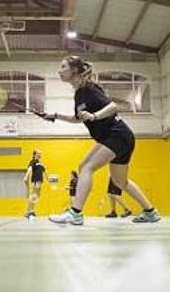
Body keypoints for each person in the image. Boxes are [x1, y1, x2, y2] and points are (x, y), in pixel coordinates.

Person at [40, 56, 160, 225]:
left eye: (63, 67)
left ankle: (75, 213)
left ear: (74, 71)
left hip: (117, 135)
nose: (60, 71)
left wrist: (94, 116)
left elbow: (113, 107)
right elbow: (78, 118)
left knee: (86, 167)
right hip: (116, 137)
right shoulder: (79, 94)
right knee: (120, 181)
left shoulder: (89, 89)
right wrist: (55, 116)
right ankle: (151, 212)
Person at [23, 150, 46, 219]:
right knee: (34, 195)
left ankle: (28, 211)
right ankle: (31, 211)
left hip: (40, 181)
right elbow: (30, 168)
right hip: (36, 181)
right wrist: (26, 176)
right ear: (35, 154)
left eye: (40, 153)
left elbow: (44, 172)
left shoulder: (40, 163)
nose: (40, 154)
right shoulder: (33, 161)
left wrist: (48, 179)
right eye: (38, 153)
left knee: (37, 196)